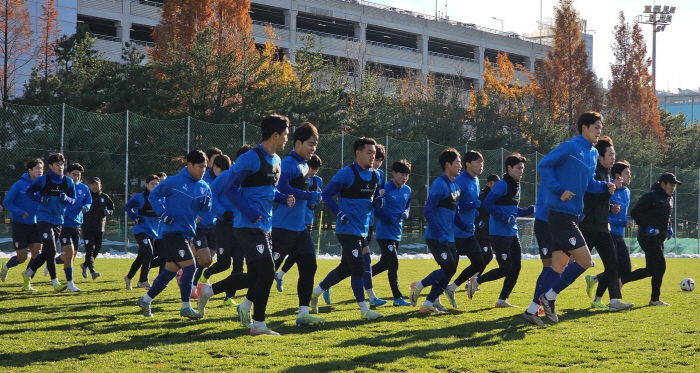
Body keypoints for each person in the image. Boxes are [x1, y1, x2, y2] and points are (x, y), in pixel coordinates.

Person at [522, 111, 615, 326]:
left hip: (573, 215)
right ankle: (549, 297)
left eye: (601, 127)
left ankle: (531, 310)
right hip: (560, 215)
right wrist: (559, 189)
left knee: (558, 266)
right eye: (596, 127)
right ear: (584, 127)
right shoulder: (571, 147)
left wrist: (604, 186)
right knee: (585, 261)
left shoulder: (592, 153)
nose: (599, 131)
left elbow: (589, 183)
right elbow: (543, 165)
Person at [217, 114, 294, 336]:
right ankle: (259, 323)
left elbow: (269, 192)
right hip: (247, 225)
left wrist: (283, 198)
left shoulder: (277, 160)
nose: (287, 139)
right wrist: (249, 211)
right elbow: (230, 188)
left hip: (265, 226)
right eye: (286, 135)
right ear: (275, 135)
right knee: (268, 271)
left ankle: (209, 290)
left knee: (257, 275)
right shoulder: (250, 158)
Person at [309, 137, 385, 321]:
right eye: (369, 152)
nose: (373, 156)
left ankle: (316, 292)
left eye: (374, 153)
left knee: (346, 268)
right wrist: (338, 211)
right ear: (358, 153)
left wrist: (377, 202)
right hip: (346, 229)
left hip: (362, 229)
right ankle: (364, 310)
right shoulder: (346, 173)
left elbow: (372, 197)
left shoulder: (376, 175)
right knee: (358, 267)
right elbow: (326, 194)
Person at [135, 150, 212, 319]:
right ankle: (185, 307)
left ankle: (146, 300)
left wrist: (207, 205)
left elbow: (206, 209)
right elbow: (154, 197)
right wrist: (162, 214)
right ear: (189, 165)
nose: (203, 171)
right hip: (172, 232)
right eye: (200, 167)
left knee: (170, 271)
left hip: (187, 233)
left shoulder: (204, 186)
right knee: (190, 267)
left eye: (205, 168)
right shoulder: (173, 181)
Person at [266, 122, 326, 327]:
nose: (313, 149)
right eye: (310, 144)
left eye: (315, 145)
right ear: (298, 143)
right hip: (282, 228)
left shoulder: (303, 165)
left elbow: (298, 194)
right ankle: (244, 305)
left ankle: (303, 314)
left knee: (309, 266)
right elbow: (282, 187)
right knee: (265, 272)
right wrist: (308, 194)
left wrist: (310, 201)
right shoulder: (290, 163)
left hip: (300, 228)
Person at [409, 148, 472, 313]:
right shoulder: (439, 184)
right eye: (457, 163)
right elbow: (428, 211)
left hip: (448, 237)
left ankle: (428, 304)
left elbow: (455, 214)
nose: (460, 166)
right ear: (447, 165)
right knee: (448, 269)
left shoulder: (455, 186)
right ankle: (419, 286)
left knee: (449, 271)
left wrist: (465, 226)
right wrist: (439, 233)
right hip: (436, 237)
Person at [467, 153, 534, 308]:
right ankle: (476, 281)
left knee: (516, 267)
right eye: (518, 168)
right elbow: (489, 204)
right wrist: (504, 218)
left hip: (512, 233)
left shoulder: (517, 186)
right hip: (499, 234)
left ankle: (502, 300)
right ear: (509, 168)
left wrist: (525, 212)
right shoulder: (501, 184)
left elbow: (513, 209)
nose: (521, 171)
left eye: (522, 168)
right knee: (505, 268)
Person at [577, 137, 633, 312]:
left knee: (613, 264)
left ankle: (614, 301)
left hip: (601, 228)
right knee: (573, 266)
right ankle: (550, 293)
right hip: (588, 227)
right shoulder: (593, 174)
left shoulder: (606, 174)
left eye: (614, 154)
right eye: (610, 154)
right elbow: (589, 201)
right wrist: (610, 192)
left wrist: (609, 208)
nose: (613, 158)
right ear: (600, 157)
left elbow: (599, 202)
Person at [199, 147, 251, 307]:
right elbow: (211, 196)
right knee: (224, 263)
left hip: (241, 226)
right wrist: (222, 212)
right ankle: (205, 273)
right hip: (224, 225)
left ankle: (229, 297)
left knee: (238, 264)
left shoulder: (251, 179)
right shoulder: (226, 176)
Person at [623, 172, 679, 306]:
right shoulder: (651, 196)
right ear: (663, 184)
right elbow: (635, 212)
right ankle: (655, 299)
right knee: (660, 266)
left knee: (651, 270)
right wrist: (647, 227)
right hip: (648, 237)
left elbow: (663, 216)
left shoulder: (668, 198)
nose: (673, 188)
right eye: (671, 185)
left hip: (659, 238)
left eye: (675, 185)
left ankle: (621, 280)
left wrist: (669, 226)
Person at [23, 153, 76, 293]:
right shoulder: (42, 180)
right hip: (43, 218)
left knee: (47, 251)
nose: (60, 167)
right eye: (57, 165)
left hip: (58, 220)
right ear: (50, 166)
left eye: (62, 165)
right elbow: (29, 193)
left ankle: (28, 273)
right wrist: (40, 199)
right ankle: (55, 283)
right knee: (52, 250)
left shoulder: (68, 182)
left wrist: (66, 199)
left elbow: (73, 200)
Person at [587, 161, 633, 308]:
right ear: (618, 175)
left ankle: (594, 281)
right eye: (627, 173)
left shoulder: (627, 192)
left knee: (624, 268)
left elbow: (621, 215)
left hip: (619, 235)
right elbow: (605, 213)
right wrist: (621, 222)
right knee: (614, 267)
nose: (629, 176)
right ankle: (604, 300)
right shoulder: (610, 190)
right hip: (608, 233)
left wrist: (625, 221)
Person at [274, 154, 323, 292]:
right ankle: (247, 301)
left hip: (304, 222)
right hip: (285, 223)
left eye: (317, 169)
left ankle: (303, 310)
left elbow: (313, 200)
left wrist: (314, 201)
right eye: (313, 168)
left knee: (306, 260)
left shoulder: (317, 180)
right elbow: (282, 189)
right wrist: (310, 196)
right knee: (268, 267)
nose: (314, 172)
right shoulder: (290, 164)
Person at [444, 151, 485, 309]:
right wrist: (472, 205)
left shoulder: (475, 180)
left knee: (479, 263)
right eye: (477, 162)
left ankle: (451, 288)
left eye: (482, 162)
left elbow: (471, 204)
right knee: (450, 268)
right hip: (456, 232)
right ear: (468, 164)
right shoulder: (460, 180)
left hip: (468, 232)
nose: (481, 165)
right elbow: (455, 205)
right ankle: (425, 290)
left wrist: (474, 213)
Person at [371, 159, 412, 307]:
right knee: (393, 263)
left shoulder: (407, 190)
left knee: (384, 264)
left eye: (406, 174)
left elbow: (408, 204)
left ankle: (362, 276)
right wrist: (388, 218)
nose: (404, 177)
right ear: (393, 173)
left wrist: (406, 213)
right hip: (384, 233)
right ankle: (397, 298)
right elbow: (374, 208)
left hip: (397, 232)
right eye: (402, 174)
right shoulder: (384, 189)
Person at [1, 159, 44, 291]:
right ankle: (6, 266)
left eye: (41, 168)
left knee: (37, 253)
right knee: (22, 257)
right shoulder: (19, 185)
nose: (40, 171)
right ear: (30, 170)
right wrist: (20, 212)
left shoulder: (43, 186)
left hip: (36, 224)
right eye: (37, 168)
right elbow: (7, 202)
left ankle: (27, 282)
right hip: (20, 224)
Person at [189, 150, 225, 298]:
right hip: (200, 226)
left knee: (207, 261)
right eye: (214, 160)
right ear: (209, 162)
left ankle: (191, 276)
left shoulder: (222, 178)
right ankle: (191, 283)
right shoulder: (201, 179)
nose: (216, 164)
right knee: (205, 259)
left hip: (214, 225)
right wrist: (194, 214)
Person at [55, 163, 92, 292]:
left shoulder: (84, 188)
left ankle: (52, 263)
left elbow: (88, 201)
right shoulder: (62, 187)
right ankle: (70, 284)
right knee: (69, 253)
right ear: (68, 174)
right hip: (63, 224)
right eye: (74, 174)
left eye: (78, 175)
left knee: (72, 256)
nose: (76, 177)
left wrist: (85, 207)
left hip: (76, 225)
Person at [124, 175, 161, 290]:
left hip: (153, 231)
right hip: (141, 230)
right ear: (147, 185)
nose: (155, 186)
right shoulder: (139, 197)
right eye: (152, 184)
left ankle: (129, 277)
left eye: (156, 184)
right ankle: (144, 280)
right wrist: (135, 217)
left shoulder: (161, 198)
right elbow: (127, 207)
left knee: (141, 257)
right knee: (149, 253)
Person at [361, 143, 386, 307]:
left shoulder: (380, 174)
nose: (376, 162)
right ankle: (371, 297)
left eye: (379, 160)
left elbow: (378, 197)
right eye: (374, 158)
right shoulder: (358, 173)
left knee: (349, 265)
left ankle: (323, 287)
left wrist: (380, 199)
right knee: (365, 259)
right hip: (356, 224)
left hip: (369, 222)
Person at [80, 177, 114, 279]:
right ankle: (92, 271)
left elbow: (111, 207)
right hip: (87, 227)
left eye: (96, 184)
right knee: (90, 248)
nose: (94, 187)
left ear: (100, 186)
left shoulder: (104, 197)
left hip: (99, 228)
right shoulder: (86, 196)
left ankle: (85, 265)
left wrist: (109, 211)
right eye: (92, 184)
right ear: (89, 186)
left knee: (97, 249)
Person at [472, 174, 499, 290]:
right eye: (495, 183)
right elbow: (476, 211)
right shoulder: (483, 196)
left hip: (489, 232)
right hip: (480, 233)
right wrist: (478, 223)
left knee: (485, 257)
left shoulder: (495, 196)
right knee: (487, 256)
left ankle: (473, 279)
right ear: (489, 183)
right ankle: (473, 280)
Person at [150, 172, 167, 273]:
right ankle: (143, 273)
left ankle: (160, 280)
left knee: (164, 257)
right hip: (153, 233)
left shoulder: (166, 197)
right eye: (161, 181)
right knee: (150, 257)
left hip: (163, 234)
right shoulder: (153, 197)